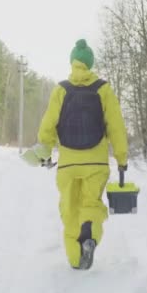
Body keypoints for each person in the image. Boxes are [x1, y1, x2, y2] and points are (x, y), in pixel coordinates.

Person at [24, 39, 128, 270]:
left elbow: (48, 125)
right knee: (91, 204)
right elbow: (116, 127)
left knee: (69, 209)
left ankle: (74, 258)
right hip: (96, 162)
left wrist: (45, 149)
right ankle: (90, 235)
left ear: (72, 62)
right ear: (91, 64)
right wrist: (122, 158)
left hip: (68, 164)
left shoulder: (61, 89)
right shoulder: (103, 89)